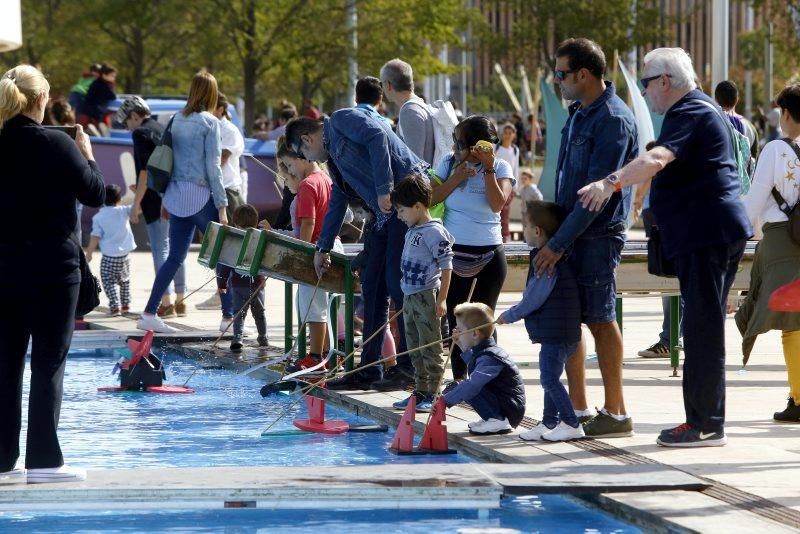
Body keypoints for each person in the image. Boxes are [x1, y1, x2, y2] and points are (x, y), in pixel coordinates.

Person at [578, 47, 752, 447]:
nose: (645, 93)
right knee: (700, 326)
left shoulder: (690, 111)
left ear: (665, 81)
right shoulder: (699, 109)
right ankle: (705, 420)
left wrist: (610, 183)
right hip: (710, 231)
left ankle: (706, 424)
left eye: (645, 84)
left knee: (701, 329)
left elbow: (657, 158)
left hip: (707, 233)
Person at [0, 65, 105, 484]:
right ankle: (44, 461)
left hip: (4, 269)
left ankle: (3, 461)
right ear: (41, 100)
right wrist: (88, 154)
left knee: (5, 365)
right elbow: (95, 192)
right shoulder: (58, 144)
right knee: (48, 363)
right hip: (53, 270)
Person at [532, 38, 638, 438]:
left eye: (561, 74)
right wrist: (551, 236)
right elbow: (566, 184)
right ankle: (574, 410)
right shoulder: (579, 112)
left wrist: (558, 245)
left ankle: (616, 411)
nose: (557, 81)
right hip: (569, 235)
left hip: (595, 237)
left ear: (584, 74)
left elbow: (597, 196)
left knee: (599, 318)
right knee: (568, 322)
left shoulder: (612, 119)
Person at [287, 109, 429, 392]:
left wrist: (384, 187)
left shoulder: (340, 120)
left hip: (403, 203)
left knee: (396, 285)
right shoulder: (334, 160)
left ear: (307, 139)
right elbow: (339, 198)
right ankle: (369, 367)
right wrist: (322, 247)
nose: (307, 160)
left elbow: (377, 136)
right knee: (372, 286)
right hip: (383, 214)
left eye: (302, 153)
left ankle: (408, 368)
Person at [137, 71, 228, 333]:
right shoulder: (211, 123)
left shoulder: (176, 119)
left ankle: (149, 311)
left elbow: (167, 162)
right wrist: (222, 206)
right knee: (222, 257)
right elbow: (214, 168)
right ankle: (227, 316)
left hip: (176, 196)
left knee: (174, 257)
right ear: (211, 94)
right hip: (200, 196)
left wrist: (166, 199)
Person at [432, 116, 515, 383]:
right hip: (454, 254)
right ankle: (459, 379)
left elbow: (496, 205)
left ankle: (487, 377)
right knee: (459, 320)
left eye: (459, 142)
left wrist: (488, 169)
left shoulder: (501, 166)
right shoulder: (448, 163)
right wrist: (457, 176)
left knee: (482, 320)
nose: (454, 146)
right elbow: (432, 197)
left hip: (490, 253)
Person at [736, 84, 800, 423]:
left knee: (793, 323)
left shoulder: (776, 149)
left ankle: (799, 397)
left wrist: (733, 234)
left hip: (783, 242)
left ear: (786, 113)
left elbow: (754, 201)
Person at [497, 201, 583, 441]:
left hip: (558, 333)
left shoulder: (547, 262)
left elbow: (535, 297)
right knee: (551, 378)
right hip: (559, 330)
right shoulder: (549, 256)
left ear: (537, 231)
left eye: (524, 225)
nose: (522, 229)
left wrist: (510, 315)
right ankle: (549, 423)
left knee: (548, 379)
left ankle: (571, 423)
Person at [117, 96, 187, 318]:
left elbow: (145, 172)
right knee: (176, 250)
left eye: (126, 122)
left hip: (154, 200)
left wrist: (135, 204)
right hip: (172, 194)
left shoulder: (140, 133)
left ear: (135, 116)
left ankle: (165, 302)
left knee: (160, 249)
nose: (126, 127)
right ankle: (180, 299)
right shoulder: (160, 127)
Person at [390, 174, 453, 413]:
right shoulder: (412, 229)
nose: (399, 215)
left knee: (430, 346)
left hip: (427, 296)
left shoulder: (435, 232)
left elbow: (447, 266)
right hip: (410, 296)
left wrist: (442, 299)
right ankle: (420, 389)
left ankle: (434, 392)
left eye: (402, 211)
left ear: (417, 207)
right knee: (415, 346)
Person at [273, 136, 338, 370]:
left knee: (312, 306)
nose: (289, 171)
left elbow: (308, 222)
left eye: (289, 165)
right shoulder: (325, 178)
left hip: (314, 251)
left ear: (300, 158)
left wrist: (303, 249)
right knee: (323, 306)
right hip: (329, 245)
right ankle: (328, 354)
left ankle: (315, 356)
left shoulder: (308, 185)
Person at [444, 303, 526, 435]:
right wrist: (461, 344)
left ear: (475, 334)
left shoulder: (491, 356)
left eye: (459, 329)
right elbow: (474, 363)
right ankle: (491, 417)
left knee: (468, 386)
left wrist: (445, 401)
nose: (455, 332)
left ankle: (498, 419)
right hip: (506, 404)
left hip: (510, 409)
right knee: (465, 386)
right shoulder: (486, 351)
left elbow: (473, 384)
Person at [635, 140, 684, 358]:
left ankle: (669, 340)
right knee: (673, 288)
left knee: (672, 288)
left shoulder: (664, 173)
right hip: (669, 229)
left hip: (672, 231)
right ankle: (671, 339)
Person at [217, 205, 268, 352]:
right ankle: (263, 337)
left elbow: (226, 265)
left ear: (236, 224)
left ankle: (237, 338)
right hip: (257, 283)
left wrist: (222, 282)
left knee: (239, 313)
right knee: (259, 313)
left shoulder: (235, 241)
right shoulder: (259, 239)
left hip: (239, 285)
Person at [85, 184, 135, 316]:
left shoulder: (99, 217)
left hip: (108, 257)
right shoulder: (124, 211)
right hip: (125, 256)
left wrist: (89, 253)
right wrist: (137, 194)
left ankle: (115, 307)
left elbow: (95, 236)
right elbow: (138, 209)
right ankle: (126, 305)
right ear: (119, 199)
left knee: (108, 282)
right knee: (125, 281)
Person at [380, 58, 435, 165]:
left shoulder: (410, 111)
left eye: (382, 84)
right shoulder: (419, 106)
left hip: (420, 181)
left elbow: (414, 163)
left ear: (388, 85)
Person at [496, 123, 520, 242]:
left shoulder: (515, 150)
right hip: (496, 184)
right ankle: (497, 237)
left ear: (514, 135)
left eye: (510, 133)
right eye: (506, 133)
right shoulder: (496, 148)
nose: (508, 135)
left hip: (509, 185)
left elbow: (516, 168)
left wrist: (516, 187)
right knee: (496, 212)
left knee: (505, 212)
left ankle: (506, 237)